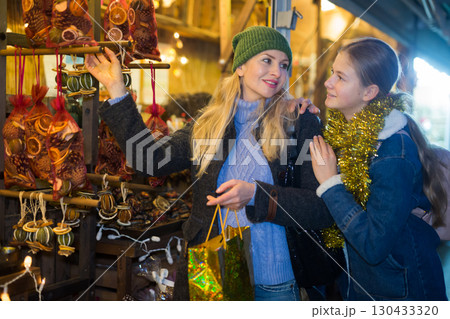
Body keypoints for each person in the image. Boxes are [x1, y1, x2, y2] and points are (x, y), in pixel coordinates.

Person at [86, 26, 333, 301]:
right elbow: (149, 160)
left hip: (275, 285)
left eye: (284, 65)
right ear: (240, 66)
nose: (277, 71)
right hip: (216, 280)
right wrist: (117, 89)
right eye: (267, 60)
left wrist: (256, 196)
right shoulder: (209, 125)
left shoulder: (298, 123)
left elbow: (320, 208)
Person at [309, 37, 448, 301]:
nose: (328, 82)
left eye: (340, 77)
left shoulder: (393, 153)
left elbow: (373, 245)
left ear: (369, 92)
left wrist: (330, 184)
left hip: (401, 293)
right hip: (366, 287)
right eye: (332, 73)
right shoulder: (348, 137)